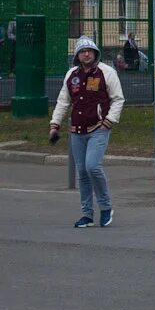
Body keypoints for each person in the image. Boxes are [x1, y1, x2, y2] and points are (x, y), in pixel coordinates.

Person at [50, 36, 125, 228]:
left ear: (95, 53)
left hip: (98, 128)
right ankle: (87, 214)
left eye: (89, 51)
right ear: (77, 55)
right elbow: (63, 101)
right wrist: (55, 124)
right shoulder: (71, 75)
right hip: (76, 130)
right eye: (82, 51)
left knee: (92, 166)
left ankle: (106, 207)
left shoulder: (106, 73)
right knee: (82, 172)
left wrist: (109, 121)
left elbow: (118, 99)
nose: (86, 54)